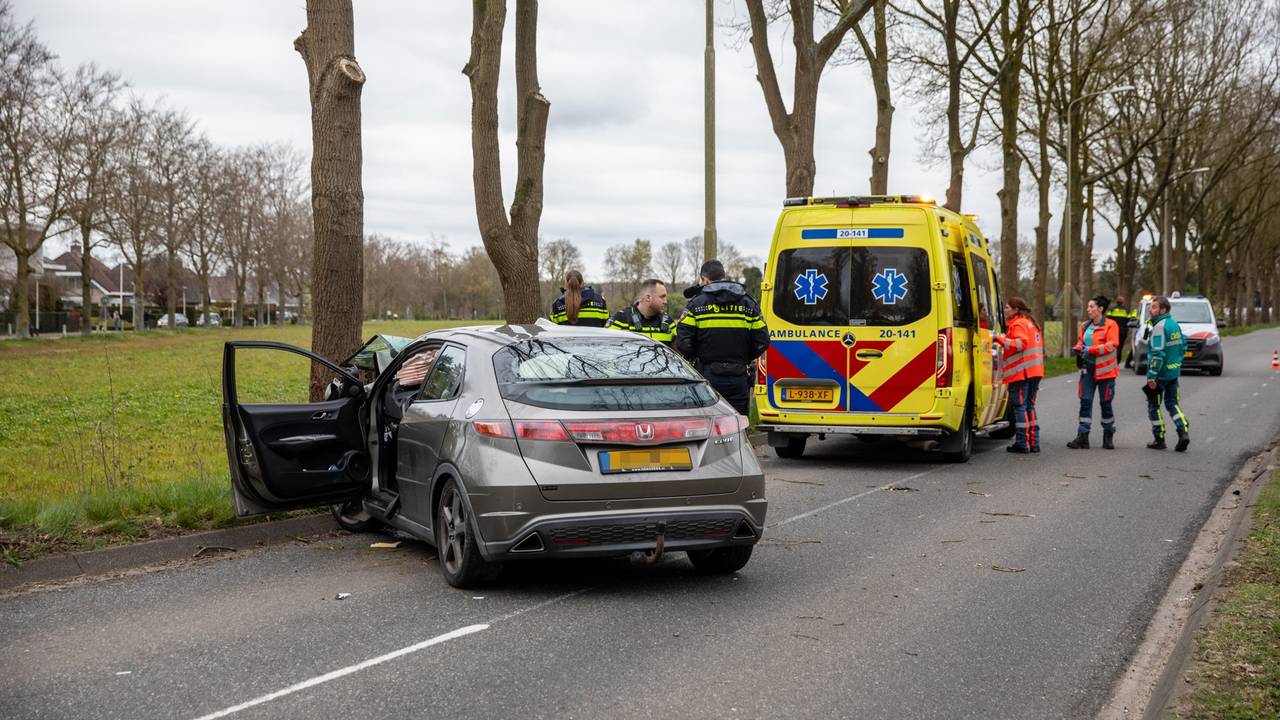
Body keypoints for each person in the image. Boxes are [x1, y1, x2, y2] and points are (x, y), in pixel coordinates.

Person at [675, 260, 769, 415]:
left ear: (704, 280)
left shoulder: (696, 304)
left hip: (707, 376)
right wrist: (744, 358)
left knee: (710, 423)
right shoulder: (748, 303)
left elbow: (683, 341)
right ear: (723, 276)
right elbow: (762, 341)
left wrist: (697, 358)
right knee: (739, 424)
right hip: (739, 376)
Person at [1068, 295, 1121, 450]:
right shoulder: (1085, 326)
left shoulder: (1111, 325)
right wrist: (1078, 347)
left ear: (1100, 309)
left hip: (1106, 371)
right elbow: (1081, 341)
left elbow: (1112, 345)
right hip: (1088, 369)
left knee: (1105, 403)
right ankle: (1083, 436)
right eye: (1088, 307)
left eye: (1091, 307)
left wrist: (1090, 349)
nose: (1088, 309)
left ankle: (1108, 435)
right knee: (1085, 401)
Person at [994, 297, 1044, 453]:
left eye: (1008, 307)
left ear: (1016, 309)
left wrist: (1001, 339)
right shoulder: (1030, 323)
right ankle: (1033, 442)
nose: (1005, 310)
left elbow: (1021, 344)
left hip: (1022, 372)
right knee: (1029, 406)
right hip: (1034, 371)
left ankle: (1022, 443)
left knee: (1020, 407)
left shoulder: (1018, 324)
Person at [1144, 295, 1190, 451]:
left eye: (1154, 307)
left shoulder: (1159, 327)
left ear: (1163, 309)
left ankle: (1159, 438)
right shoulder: (1174, 325)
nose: (1151, 310)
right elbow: (1183, 346)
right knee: (1172, 404)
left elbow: (1157, 354)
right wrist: (1176, 364)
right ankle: (1183, 431)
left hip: (1160, 375)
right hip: (1173, 373)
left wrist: (1151, 376)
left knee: (1153, 407)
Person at [607, 278, 676, 345]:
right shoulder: (621, 320)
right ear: (648, 297)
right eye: (662, 297)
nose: (665, 301)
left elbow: (679, 351)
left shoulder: (668, 322)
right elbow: (606, 348)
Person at [1107, 295, 1138, 368]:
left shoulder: (1112, 310)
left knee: (1112, 347)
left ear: (1116, 301)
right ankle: (1117, 363)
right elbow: (1130, 320)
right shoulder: (1126, 311)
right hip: (1123, 331)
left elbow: (1107, 320)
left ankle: (1111, 362)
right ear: (1123, 302)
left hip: (1113, 331)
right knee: (1120, 347)